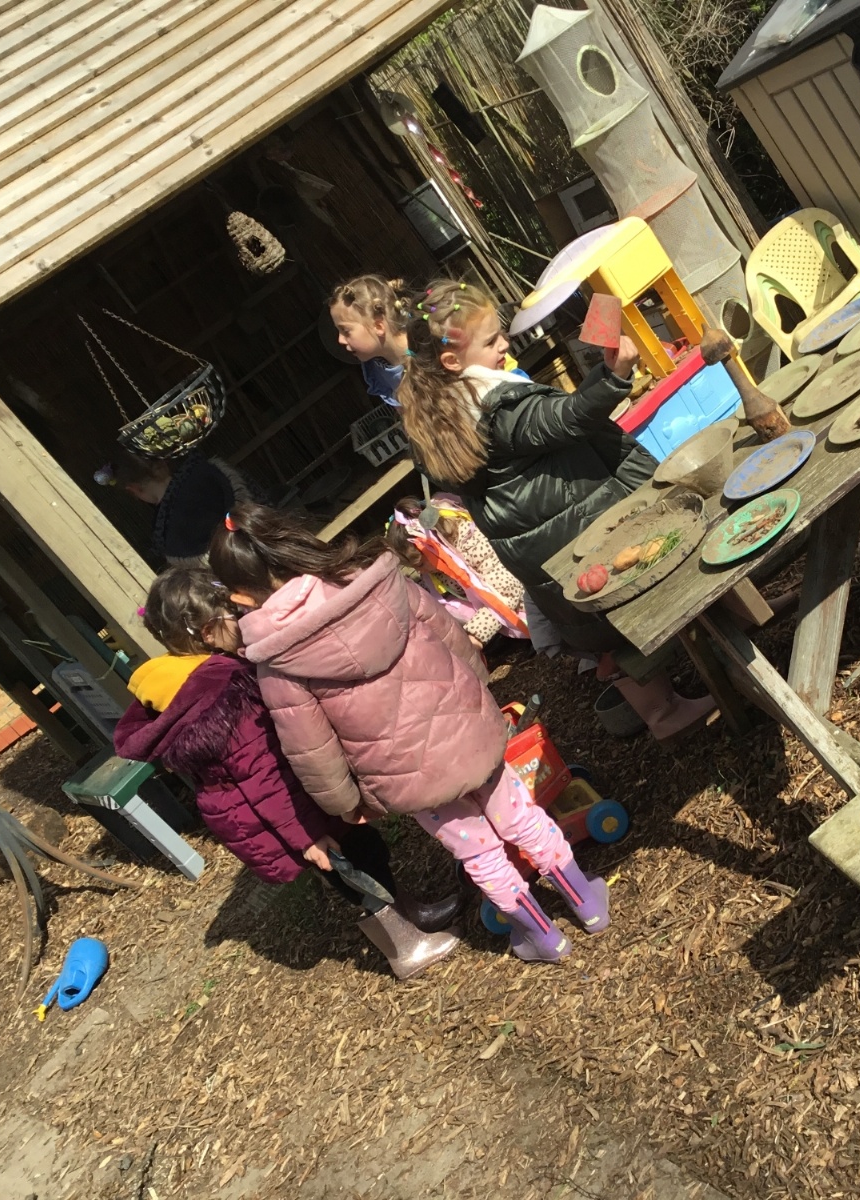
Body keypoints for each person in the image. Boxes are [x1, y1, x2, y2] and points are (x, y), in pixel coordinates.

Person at [209, 503, 609, 963]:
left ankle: (543, 937)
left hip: (407, 778)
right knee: (523, 818)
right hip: (467, 732)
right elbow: (452, 639)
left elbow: (310, 747)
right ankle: (587, 903)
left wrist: (345, 804)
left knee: (480, 855)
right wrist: (477, 693)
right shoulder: (378, 583)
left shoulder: (277, 660)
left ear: (241, 597)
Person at [396, 278, 713, 740]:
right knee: (643, 589)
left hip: (547, 548)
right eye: (491, 340)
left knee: (606, 630)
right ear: (452, 361)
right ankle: (667, 712)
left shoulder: (442, 416)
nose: (504, 345)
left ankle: (668, 700)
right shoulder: (497, 407)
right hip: (578, 528)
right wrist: (612, 377)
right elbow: (564, 419)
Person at [112, 567, 461, 980]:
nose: (242, 619)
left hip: (286, 804)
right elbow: (262, 775)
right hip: (290, 811)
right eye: (231, 615)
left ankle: (412, 913)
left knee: (364, 851)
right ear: (207, 633)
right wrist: (306, 836)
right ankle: (405, 948)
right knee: (353, 869)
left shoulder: (177, 682)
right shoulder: (220, 694)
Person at [382, 494, 528, 647]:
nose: (421, 571)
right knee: (447, 606)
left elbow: (507, 592)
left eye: (419, 564)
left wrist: (476, 637)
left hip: (523, 596)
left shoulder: (471, 541)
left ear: (433, 545)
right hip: (492, 605)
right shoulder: (435, 565)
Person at [109, 450, 256, 567]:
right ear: (163, 462)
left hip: (242, 570)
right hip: (262, 538)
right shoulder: (210, 471)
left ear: (134, 489)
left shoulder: (166, 534)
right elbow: (257, 497)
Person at [329, 274, 411, 409]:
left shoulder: (429, 350)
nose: (340, 340)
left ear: (378, 327)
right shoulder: (378, 370)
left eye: (345, 331)